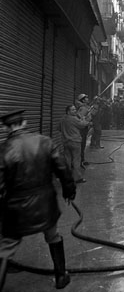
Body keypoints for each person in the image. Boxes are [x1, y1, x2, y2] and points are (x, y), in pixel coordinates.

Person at [0, 108, 76, 290]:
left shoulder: (3, 150)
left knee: (6, 247)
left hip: (16, 210)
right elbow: (62, 169)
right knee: (53, 236)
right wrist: (69, 191)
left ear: (5, 129)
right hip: (45, 205)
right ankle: (61, 277)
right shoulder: (44, 141)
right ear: (24, 123)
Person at [59, 105, 91, 184]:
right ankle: (77, 178)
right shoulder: (74, 119)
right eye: (73, 110)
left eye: (75, 109)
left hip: (66, 142)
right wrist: (85, 119)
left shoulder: (62, 119)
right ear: (68, 111)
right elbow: (83, 125)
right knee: (76, 160)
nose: (75, 111)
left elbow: (59, 128)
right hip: (75, 142)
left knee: (67, 160)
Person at [76, 93, 92, 168]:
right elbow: (82, 119)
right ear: (83, 100)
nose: (87, 99)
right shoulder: (82, 108)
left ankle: (81, 160)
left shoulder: (83, 107)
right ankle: (80, 161)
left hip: (83, 128)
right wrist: (88, 122)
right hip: (82, 129)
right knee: (81, 145)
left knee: (82, 145)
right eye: (86, 98)